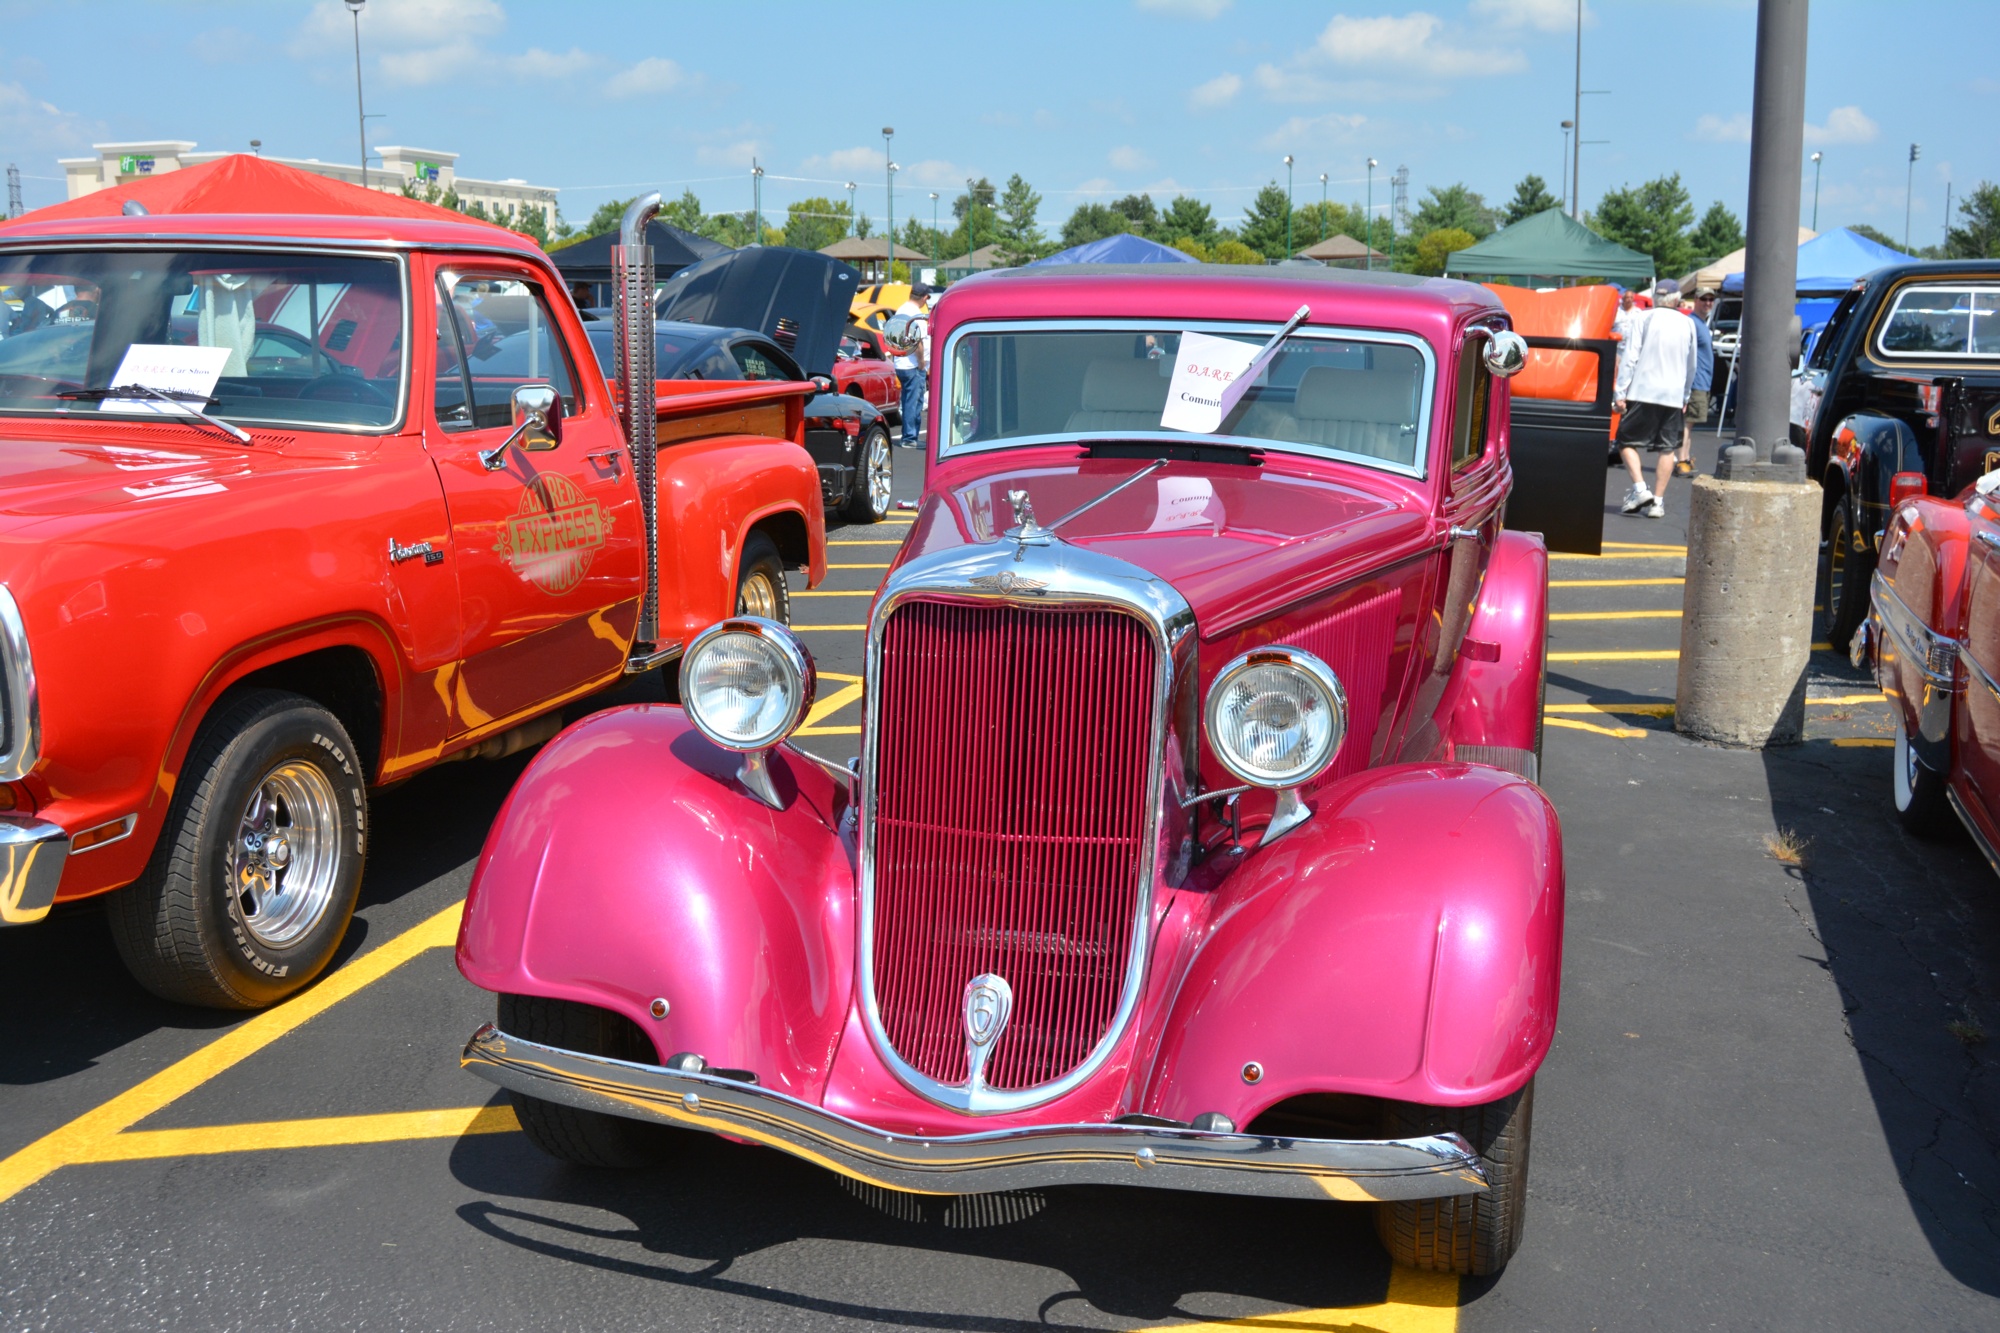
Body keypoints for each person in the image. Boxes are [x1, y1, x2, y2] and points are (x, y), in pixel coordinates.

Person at [1613, 293, 1700, 519]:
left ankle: (1641, 489)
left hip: (1643, 389)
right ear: (1676, 300)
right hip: (1672, 393)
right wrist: (1685, 394)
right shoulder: (1687, 322)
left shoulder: (1644, 317)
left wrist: (1620, 391)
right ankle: (1658, 502)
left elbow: (1631, 356)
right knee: (1667, 448)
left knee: (1625, 441)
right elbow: (1692, 364)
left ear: (1656, 297)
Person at [1677, 288, 1717, 477]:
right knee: (1688, 423)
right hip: (1695, 382)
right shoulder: (1692, 323)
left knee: (1690, 423)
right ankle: (1681, 460)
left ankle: (1685, 457)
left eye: (1711, 299)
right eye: (1704, 299)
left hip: (1702, 381)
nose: (1708, 302)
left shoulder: (1701, 323)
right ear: (1695, 300)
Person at [890, 283, 933, 449]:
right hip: (913, 364)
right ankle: (909, 437)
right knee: (913, 402)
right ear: (923, 297)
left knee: (910, 399)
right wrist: (922, 362)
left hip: (902, 362)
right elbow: (918, 341)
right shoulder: (916, 314)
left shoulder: (901, 309)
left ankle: (910, 436)